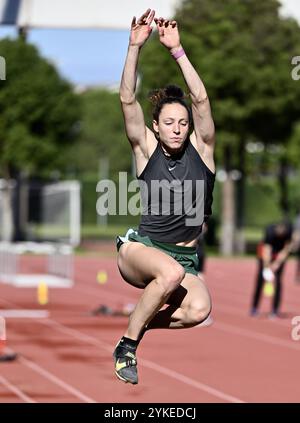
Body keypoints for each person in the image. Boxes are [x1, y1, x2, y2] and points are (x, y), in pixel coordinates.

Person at [113, 9, 216, 384]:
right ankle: (126, 345)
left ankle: (137, 324)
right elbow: (127, 100)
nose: (176, 128)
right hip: (141, 251)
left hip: (184, 259)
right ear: (155, 127)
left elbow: (201, 100)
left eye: (183, 123)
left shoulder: (202, 152)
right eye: (169, 123)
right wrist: (134, 47)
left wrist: (177, 51)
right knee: (169, 272)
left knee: (200, 308)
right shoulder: (146, 150)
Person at [250, 220, 293, 318]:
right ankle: (254, 307)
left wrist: (277, 264)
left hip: (279, 253)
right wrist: (267, 268)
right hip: (266, 254)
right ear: (277, 229)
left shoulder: (289, 231)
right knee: (260, 281)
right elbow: (267, 250)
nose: (281, 234)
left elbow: (286, 249)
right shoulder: (270, 231)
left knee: (278, 282)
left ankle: (275, 309)